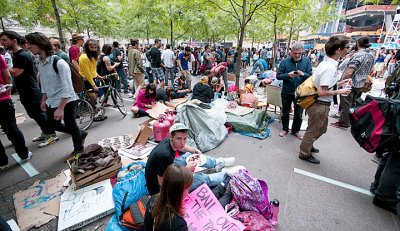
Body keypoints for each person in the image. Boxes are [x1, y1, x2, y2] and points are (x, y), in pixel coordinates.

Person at [25, 32, 88, 156]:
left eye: (30, 44)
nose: (27, 47)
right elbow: (44, 83)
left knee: (71, 124)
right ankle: (80, 133)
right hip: (51, 99)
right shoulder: (39, 61)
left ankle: (78, 149)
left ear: (40, 44)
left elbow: (68, 88)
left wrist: (60, 108)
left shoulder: (59, 63)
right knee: (53, 125)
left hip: (66, 100)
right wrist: (43, 99)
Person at [299, 35, 352, 164]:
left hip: (320, 104)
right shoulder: (329, 68)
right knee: (313, 130)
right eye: (347, 47)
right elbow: (322, 91)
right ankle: (304, 153)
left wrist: (339, 84)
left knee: (321, 129)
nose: (348, 50)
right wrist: (340, 91)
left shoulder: (326, 64)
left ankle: (308, 146)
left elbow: (324, 85)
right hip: (319, 104)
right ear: (338, 50)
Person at [0, 31, 58, 148]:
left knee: (39, 114)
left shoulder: (22, 55)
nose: (2, 43)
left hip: (31, 91)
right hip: (25, 91)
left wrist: (3, 66)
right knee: (34, 114)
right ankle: (46, 132)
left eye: (4, 40)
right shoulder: (17, 55)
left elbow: (16, 72)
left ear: (14, 40)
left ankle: (51, 135)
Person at [145, 123, 236, 195]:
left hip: (167, 166)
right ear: (171, 137)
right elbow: (162, 183)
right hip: (160, 189)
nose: (182, 142)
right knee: (198, 178)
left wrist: (193, 150)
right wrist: (186, 171)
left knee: (189, 155)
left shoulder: (170, 140)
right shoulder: (164, 155)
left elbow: (182, 147)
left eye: (185, 138)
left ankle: (218, 162)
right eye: (179, 139)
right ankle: (226, 175)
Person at [330, 36, 374, 129]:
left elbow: (349, 72)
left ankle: (344, 122)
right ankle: (350, 120)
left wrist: (342, 82)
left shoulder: (358, 55)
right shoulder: (371, 55)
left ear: (358, 43)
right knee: (353, 104)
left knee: (346, 104)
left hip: (350, 83)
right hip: (361, 83)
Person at [0, 55, 32, 170]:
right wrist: (7, 92)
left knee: (11, 128)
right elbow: (7, 76)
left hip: (3, 99)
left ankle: (2, 163)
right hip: (2, 99)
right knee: (12, 127)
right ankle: (24, 155)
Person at [276, 42, 313, 140]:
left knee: (299, 114)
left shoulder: (306, 61)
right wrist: (288, 75)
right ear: (291, 52)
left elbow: (310, 76)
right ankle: (285, 129)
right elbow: (278, 76)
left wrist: (303, 74)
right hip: (287, 91)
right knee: (285, 112)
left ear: (302, 52)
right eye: (295, 53)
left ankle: (295, 131)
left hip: (301, 93)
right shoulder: (285, 62)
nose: (297, 55)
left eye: (299, 53)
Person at [144, 164, 192, 231]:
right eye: (188, 189)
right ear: (179, 192)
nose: (188, 193)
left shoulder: (153, 199)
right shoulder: (179, 225)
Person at [78, 39, 102, 104]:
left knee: (95, 98)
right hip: (87, 80)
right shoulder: (84, 57)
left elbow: (93, 69)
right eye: (91, 47)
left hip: (93, 78)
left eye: (95, 47)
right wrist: (93, 85)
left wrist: (97, 75)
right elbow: (87, 73)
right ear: (87, 47)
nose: (94, 49)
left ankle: (94, 109)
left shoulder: (93, 56)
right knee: (93, 98)